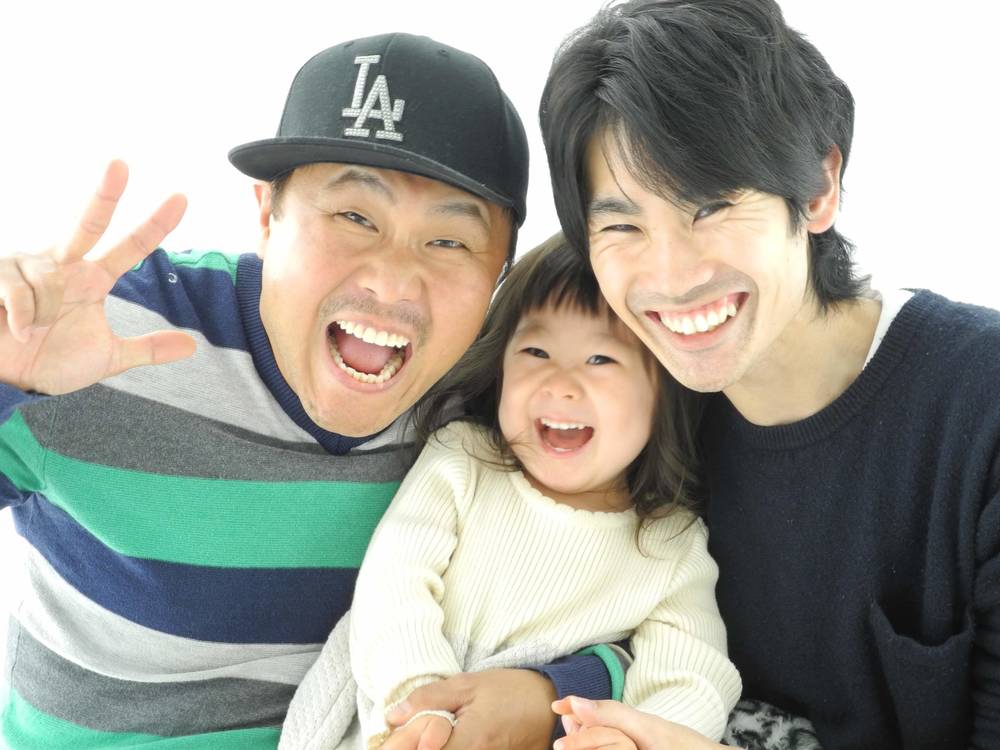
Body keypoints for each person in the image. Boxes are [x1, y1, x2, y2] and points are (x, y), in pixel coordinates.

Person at [0, 33, 613, 749]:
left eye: (449, 242)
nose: (392, 281)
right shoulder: (98, 338)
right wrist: (8, 380)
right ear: (267, 215)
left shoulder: (503, 402)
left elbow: (640, 587)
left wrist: (548, 695)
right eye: (355, 217)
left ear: (499, 273)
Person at [534, 0, 1000, 747]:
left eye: (711, 207)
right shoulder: (625, 406)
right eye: (623, 225)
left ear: (818, 189)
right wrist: (539, 694)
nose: (671, 276)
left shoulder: (980, 405)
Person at [278, 234, 741, 750]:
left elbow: (693, 677)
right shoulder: (463, 459)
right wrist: (425, 700)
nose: (560, 383)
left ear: (664, 393)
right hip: (401, 722)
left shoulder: (669, 542)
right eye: (536, 351)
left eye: (601, 359)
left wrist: (632, 736)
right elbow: (393, 586)